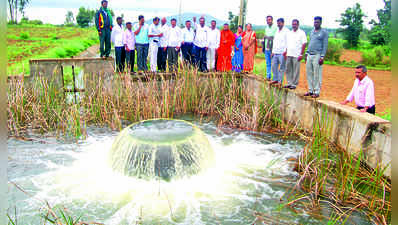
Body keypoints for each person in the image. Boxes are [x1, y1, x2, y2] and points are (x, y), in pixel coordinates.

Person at [304, 16, 329, 98]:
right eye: (315, 22)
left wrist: (322, 57)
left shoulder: (324, 32)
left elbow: (325, 45)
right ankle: (310, 90)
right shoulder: (312, 32)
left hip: (317, 55)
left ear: (320, 23)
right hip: (309, 54)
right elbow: (310, 43)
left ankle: (317, 91)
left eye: (317, 22)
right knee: (309, 73)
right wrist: (306, 53)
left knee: (317, 74)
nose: (316, 23)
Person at [284, 19, 307, 89]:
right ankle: (289, 83)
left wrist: (301, 54)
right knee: (288, 69)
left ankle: (294, 84)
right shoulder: (289, 33)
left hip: (297, 55)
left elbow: (304, 43)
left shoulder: (302, 33)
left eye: (295, 24)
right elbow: (287, 43)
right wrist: (286, 51)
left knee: (296, 70)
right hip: (289, 53)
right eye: (293, 24)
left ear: (298, 25)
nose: (294, 25)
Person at [270, 18, 289, 86]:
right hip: (275, 52)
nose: (278, 24)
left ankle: (280, 82)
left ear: (283, 23)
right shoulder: (277, 31)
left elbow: (288, 42)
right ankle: (275, 79)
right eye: (277, 23)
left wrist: (286, 51)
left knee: (281, 68)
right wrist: (272, 51)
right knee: (274, 66)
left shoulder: (286, 31)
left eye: (280, 23)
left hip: (282, 52)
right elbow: (275, 41)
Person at [263, 15, 277, 80]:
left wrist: (268, 37)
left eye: (269, 20)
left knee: (274, 64)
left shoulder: (275, 28)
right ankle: (268, 76)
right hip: (266, 47)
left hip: (272, 49)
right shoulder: (266, 28)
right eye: (267, 20)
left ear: (272, 20)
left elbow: (275, 38)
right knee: (268, 63)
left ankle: (275, 78)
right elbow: (265, 37)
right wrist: (267, 37)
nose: (268, 21)